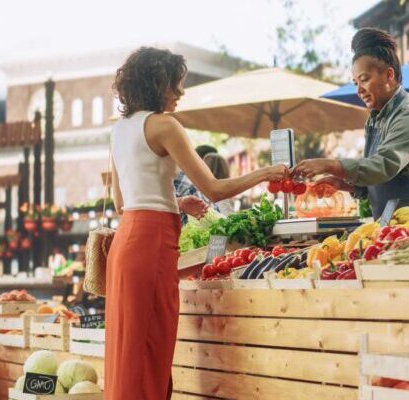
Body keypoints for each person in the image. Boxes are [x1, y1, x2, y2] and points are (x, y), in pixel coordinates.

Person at [106, 46, 287, 400]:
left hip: (126, 245)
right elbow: (215, 190)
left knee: (127, 353)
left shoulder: (118, 129)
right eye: (175, 84)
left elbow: (121, 202)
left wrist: (174, 202)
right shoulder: (164, 125)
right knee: (150, 351)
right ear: (156, 84)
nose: (180, 93)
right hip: (152, 245)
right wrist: (265, 172)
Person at [293, 28, 409, 219]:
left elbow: (383, 166)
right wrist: (343, 184)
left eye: (364, 79)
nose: (359, 90)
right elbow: (376, 176)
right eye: (355, 83)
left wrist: (330, 165)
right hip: (392, 221)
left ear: (389, 75)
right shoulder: (375, 119)